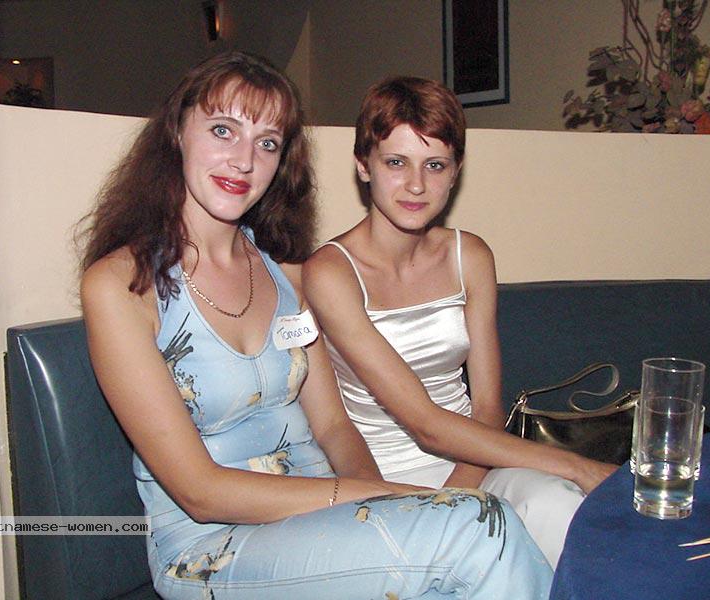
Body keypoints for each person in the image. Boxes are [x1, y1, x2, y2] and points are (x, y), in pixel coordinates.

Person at [78, 52, 552, 599]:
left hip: (324, 518)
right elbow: (199, 491)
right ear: (177, 133)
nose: (243, 160)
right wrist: (384, 500)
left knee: (477, 530)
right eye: (223, 130)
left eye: (267, 143)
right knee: (479, 527)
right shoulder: (121, 287)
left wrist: (388, 509)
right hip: (213, 547)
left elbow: (333, 427)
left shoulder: (286, 278)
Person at [302, 76, 617, 569]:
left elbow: (487, 404)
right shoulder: (330, 272)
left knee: (558, 506)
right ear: (364, 165)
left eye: (435, 165)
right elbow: (424, 424)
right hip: (379, 478)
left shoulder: (470, 255)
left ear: (455, 172)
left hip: (475, 462)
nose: (416, 185)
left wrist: (462, 493)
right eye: (396, 162)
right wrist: (577, 465)